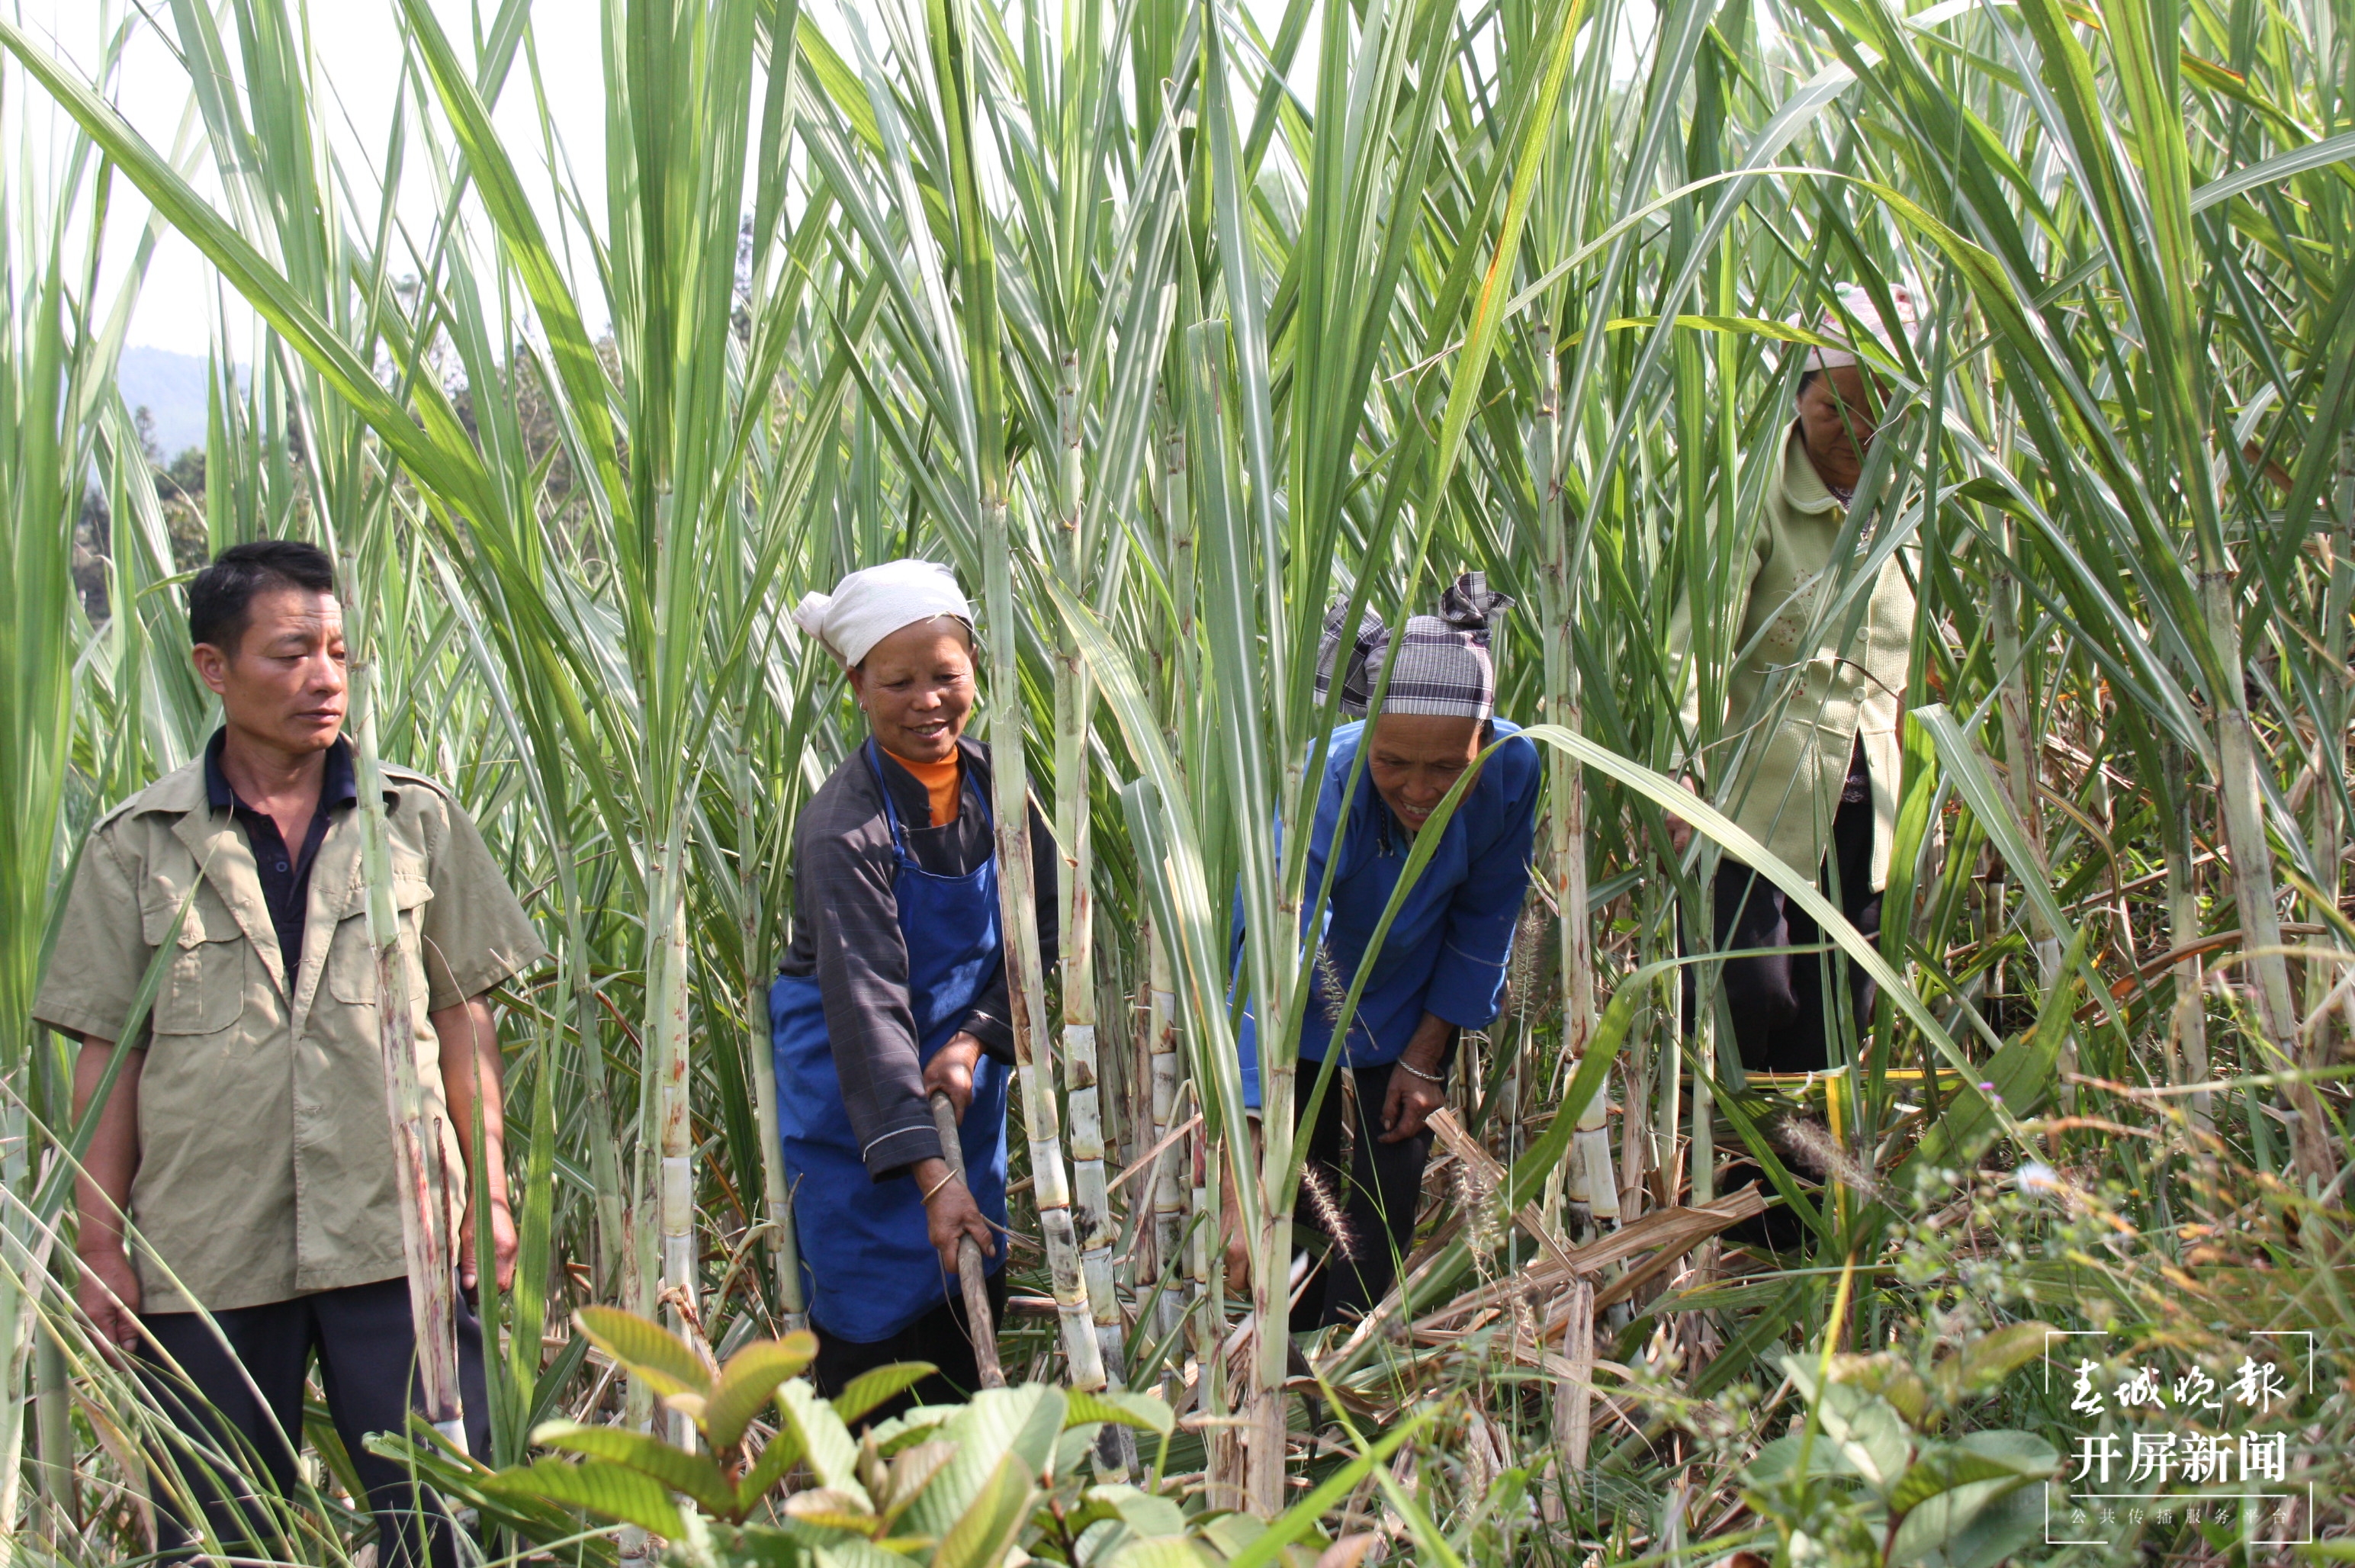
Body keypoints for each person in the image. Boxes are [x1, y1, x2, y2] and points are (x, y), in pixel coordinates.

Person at [37, 540, 545, 1566]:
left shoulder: (416, 823)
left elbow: (464, 1024)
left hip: (394, 1232)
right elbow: (109, 1060)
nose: (323, 678)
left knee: (441, 1522)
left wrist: (487, 1195)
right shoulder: (138, 845)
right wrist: (99, 1248)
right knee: (218, 1538)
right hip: (207, 1246)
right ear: (213, 669)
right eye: (289, 654)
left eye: (338, 652)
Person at [769, 560, 1055, 1419]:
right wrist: (931, 1178)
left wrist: (975, 1035)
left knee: (971, 1290)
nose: (927, 700)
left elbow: (1040, 930)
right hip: (857, 1098)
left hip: (961, 1082)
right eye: (899, 682)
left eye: (947, 676)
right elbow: (865, 1009)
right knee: (873, 1323)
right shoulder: (840, 828)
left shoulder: (999, 786)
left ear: (977, 673)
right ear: (856, 683)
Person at [1234, 574, 1541, 1329]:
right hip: (1290, 1005)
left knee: (1387, 1193)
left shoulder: (1512, 769)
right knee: (1298, 1194)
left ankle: (1360, 1363)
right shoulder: (1322, 785)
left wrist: (1422, 1055)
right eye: (1393, 761)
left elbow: (1486, 914)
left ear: (1484, 735)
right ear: (1366, 735)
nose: (1418, 788)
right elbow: (1275, 950)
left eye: (1447, 766)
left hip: (1403, 1002)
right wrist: (1247, 1138)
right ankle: (1292, 1380)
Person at [1667, 288, 1921, 1075]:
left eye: (1879, 407)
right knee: (1749, 997)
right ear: (1800, 398)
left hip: (1864, 802)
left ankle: (1805, 1196)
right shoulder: (1754, 500)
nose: (1855, 430)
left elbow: (1912, 662)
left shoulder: (1910, 502)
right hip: (1753, 803)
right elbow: (1695, 646)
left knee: (1837, 1016)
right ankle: (1730, 1182)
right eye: (1833, 407)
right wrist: (1681, 776)